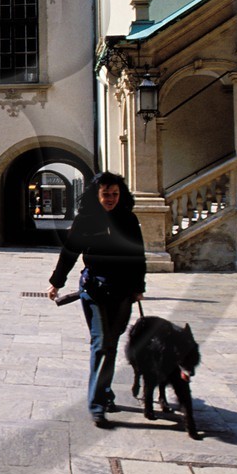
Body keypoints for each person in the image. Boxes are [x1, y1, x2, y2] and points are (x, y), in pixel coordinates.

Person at [48, 171, 147, 428]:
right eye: (106, 194)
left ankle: (104, 391)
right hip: (95, 290)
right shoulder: (86, 220)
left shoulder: (128, 219)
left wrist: (139, 287)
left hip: (123, 291)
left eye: (115, 194)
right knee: (101, 343)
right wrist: (56, 282)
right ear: (97, 195)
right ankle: (97, 405)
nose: (111, 198)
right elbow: (70, 252)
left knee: (111, 344)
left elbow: (138, 255)